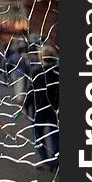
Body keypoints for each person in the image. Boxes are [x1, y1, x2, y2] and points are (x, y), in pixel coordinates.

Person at [25, 43, 59, 171]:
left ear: (41, 57)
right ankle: (55, 162)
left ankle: (45, 160)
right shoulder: (58, 72)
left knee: (38, 136)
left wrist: (25, 106)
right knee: (54, 135)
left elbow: (30, 91)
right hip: (55, 109)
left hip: (39, 109)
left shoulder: (36, 71)